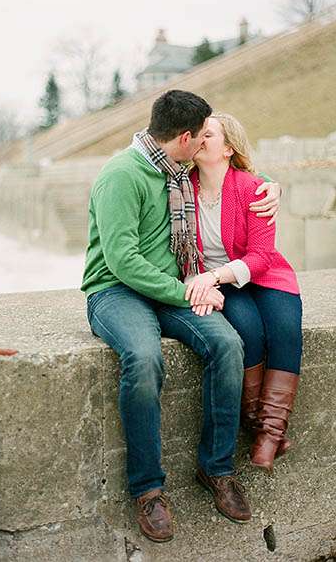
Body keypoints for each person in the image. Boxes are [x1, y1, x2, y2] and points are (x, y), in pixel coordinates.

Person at [80, 90, 280, 543]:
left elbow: (237, 172)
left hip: (171, 291)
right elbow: (122, 260)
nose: (206, 141)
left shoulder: (176, 168)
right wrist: (192, 288)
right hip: (115, 292)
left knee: (228, 344)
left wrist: (273, 187)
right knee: (145, 357)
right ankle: (148, 489)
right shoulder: (121, 175)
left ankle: (217, 469)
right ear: (185, 138)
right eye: (202, 135)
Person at [186, 113, 302, 472]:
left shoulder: (252, 188)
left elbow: (263, 256)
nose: (199, 139)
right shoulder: (181, 188)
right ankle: (257, 424)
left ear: (228, 148)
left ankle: (270, 435)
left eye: (209, 134)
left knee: (285, 329)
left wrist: (215, 275)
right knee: (248, 331)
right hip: (222, 283)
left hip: (263, 274)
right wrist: (212, 279)